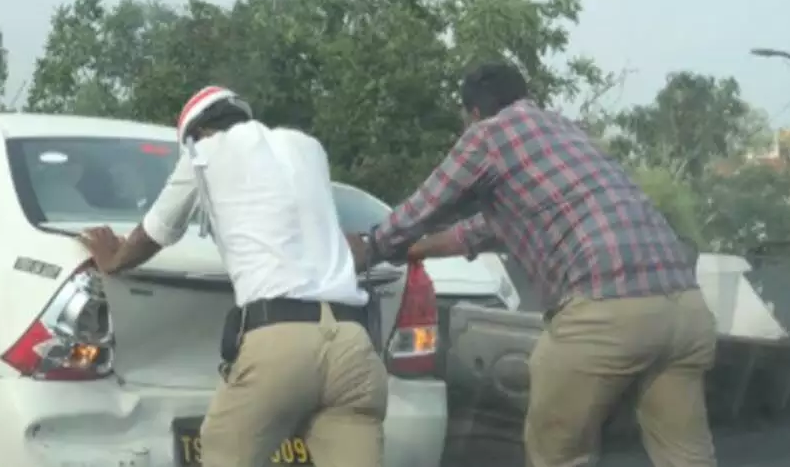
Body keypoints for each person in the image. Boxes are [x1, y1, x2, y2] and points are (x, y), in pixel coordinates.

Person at [357, 61, 716, 467]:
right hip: (686, 311)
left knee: (558, 453)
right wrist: (413, 251)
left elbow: (426, 204)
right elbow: (478, 231)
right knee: (686, 456)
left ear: (474, 113)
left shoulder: (490, 135)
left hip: (607, 310)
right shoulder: (567, 133)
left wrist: (371, 245)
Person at [78, 86, 388, 467]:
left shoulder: (202, 154)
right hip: (353, 346)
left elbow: (156, 231)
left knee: (222, 450)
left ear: (197, 133)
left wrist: (115, 259)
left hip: (280, 342)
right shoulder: (309, 149)